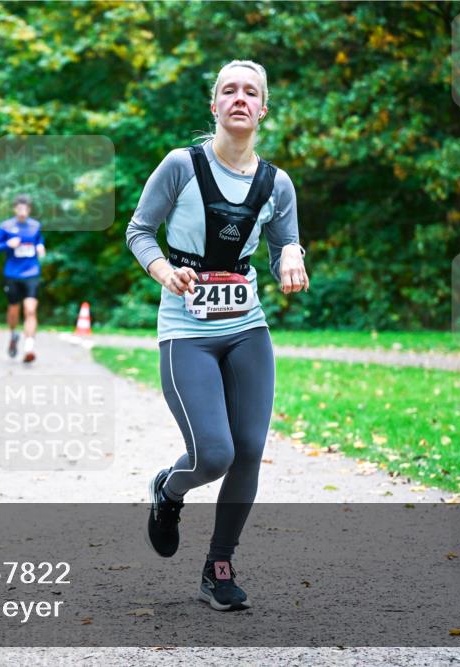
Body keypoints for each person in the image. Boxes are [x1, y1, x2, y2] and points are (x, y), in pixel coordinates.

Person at [126, 60, 309, 612]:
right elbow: (139, 231)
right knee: (214, 454)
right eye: (228, 90)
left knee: (249, 449)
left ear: (262, 108)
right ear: (214, 105)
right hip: (186, 329)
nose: (239, 99)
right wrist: (163, 271)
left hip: (247, 326)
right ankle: (169, 489)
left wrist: (293, 255)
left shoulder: (276, 182)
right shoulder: (181, 166)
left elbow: (285, 243)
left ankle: (219, 566)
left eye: (250, 92)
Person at [0, 194, 45, 363]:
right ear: (15, 209)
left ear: (29, 210)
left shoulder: (35, 226)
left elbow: (39, 241)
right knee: (14, 309)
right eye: (19, 208)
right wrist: (8, 244)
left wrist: (41, 247)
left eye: (25, 209)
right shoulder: (6, 226)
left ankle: (29, 348)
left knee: (30, 310)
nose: (22, 212)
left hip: (31, 273)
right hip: (12, 274)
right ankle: (14, 335)